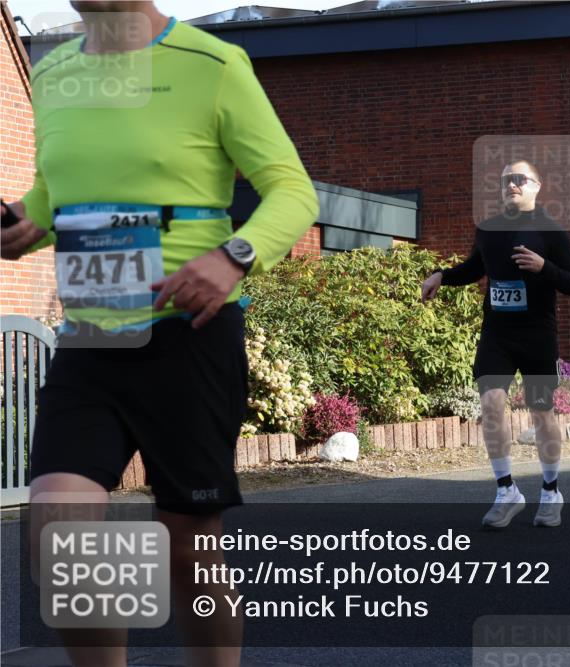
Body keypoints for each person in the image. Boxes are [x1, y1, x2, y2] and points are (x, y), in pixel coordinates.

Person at [1, 2, 318, 665]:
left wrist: (235, 255)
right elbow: (54, 195)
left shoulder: (214, 65)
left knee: (188, 548)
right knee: (60, 533)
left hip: (189, 337)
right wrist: (25, 221)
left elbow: (293, 190)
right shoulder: (54, 72)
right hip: (90, 338)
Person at [421, 159, 570, 528]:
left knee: (542, 413)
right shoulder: (489, 229)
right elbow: (474, 269)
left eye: (520, 179)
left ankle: (551, 492)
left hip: (538, 335)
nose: (512, 184)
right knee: (491, 404)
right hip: (497, 335)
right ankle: (506, 491)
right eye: (506, 180)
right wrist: (441, 276)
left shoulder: (551, 230)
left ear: (536, 186)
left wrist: (545, 267)